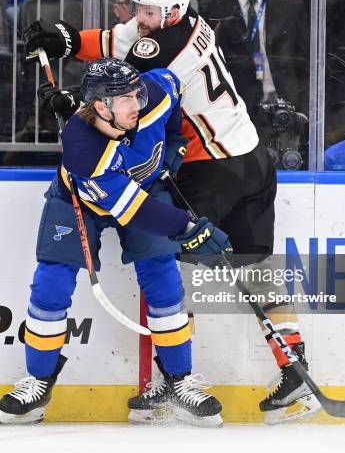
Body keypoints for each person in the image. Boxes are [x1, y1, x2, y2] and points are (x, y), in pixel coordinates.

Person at [23, 0, 320, 424]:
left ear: (172, 11)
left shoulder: (159, 47)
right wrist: (64, 37)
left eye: (146, 11)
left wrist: (70, 84)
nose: (138, 18)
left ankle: (170, 382)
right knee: (256, 265)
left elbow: (114, 86)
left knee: (163, 258)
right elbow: (111, 41)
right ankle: (295, 368)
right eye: (137, 8)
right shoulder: (182, 25)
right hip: (252, 157)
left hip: (212, 166)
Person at [0, 57, 233, 427]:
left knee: (162, 277)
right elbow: (135, 212)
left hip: (145, 189)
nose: (137, 104)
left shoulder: (154, 92)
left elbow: (174, 91)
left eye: (136, 93)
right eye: (125, 99)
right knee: (52, 283)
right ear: (99, 107)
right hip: (81, 200)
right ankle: (38, 383)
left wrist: (175, 141)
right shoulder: (82, 148)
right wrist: (187, 228)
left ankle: (178, 381)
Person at [199, 0, 309, 135]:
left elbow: (304, 63)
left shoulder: (291, 4)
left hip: (285, 111)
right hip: (236, 114)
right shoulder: (211, 6)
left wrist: (302, 110)